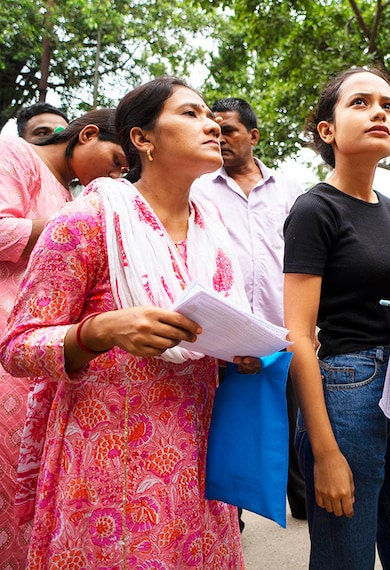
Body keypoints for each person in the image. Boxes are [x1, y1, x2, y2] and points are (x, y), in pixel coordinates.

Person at [0, 76, 258, 568]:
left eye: (210, 116)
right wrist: (98, 332)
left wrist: (244, 351)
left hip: (200, 466)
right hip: (105, 471)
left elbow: (223, 332)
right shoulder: (89, 220)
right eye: (190, 113)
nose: (211, 126)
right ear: (142, 139)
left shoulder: (214, 235)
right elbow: (17, 345)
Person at [283, 67, 390, 569]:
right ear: (327, 131)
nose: (380, 111)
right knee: (345, 559)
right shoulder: (314, 210)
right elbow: (298, 337)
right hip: (346, 392)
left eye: (389, 105)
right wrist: (326, 454)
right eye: (360, 102)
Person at [0, 108, 125, 568]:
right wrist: (72, 233)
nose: (117, 173)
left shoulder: (69, 192)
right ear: (87, 134)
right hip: (10, 350)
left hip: (42, 360)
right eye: (116, 160)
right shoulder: (15, 154)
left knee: (26, 487)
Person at [191, 97, 307, 523]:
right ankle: (228, 517)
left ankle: (302, 501)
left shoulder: (290, 189)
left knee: (293, 420)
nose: (219, 138)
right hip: (224, 333)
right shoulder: (198, 189)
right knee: (228, 424)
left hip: (284, 329)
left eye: (229, 131)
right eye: (213, 131)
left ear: (254, 137)